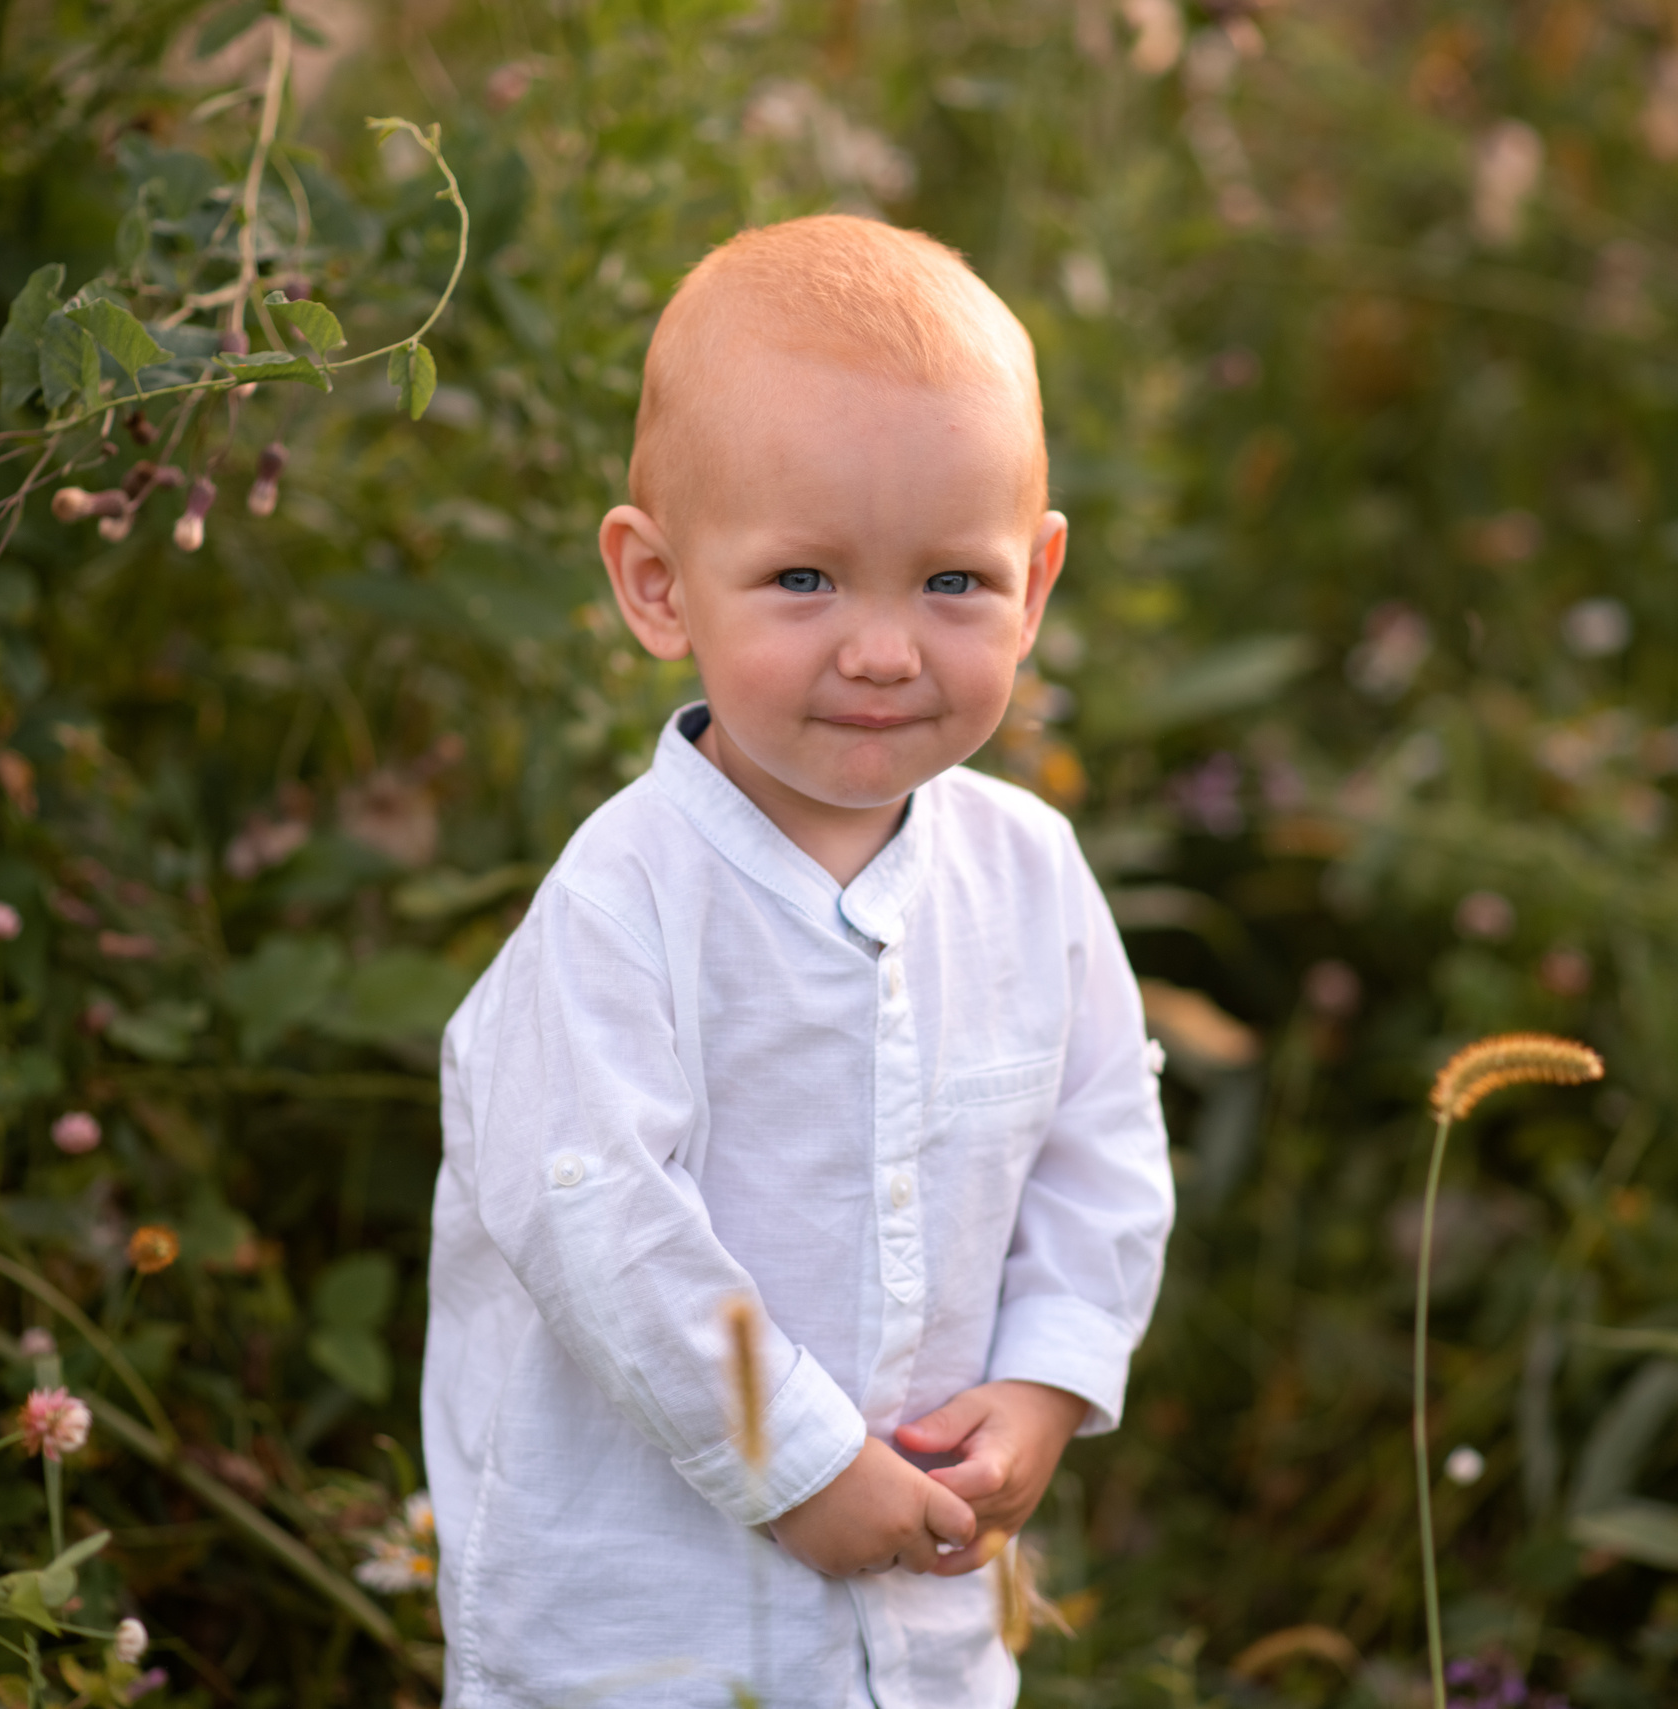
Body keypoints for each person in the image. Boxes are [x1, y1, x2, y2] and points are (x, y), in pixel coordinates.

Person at [419, 213, 1174, 1708]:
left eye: (952, 583)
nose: (884, 649)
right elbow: (597, 1219)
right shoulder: (624, 903)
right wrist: (799, 1460)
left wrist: (1047, 1379)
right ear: (658, 584)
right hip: (637, 1635)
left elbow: (1100, 1151)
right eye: (806, 580)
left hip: (926, 1631)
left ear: (1035, 581)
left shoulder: (1030, 876)